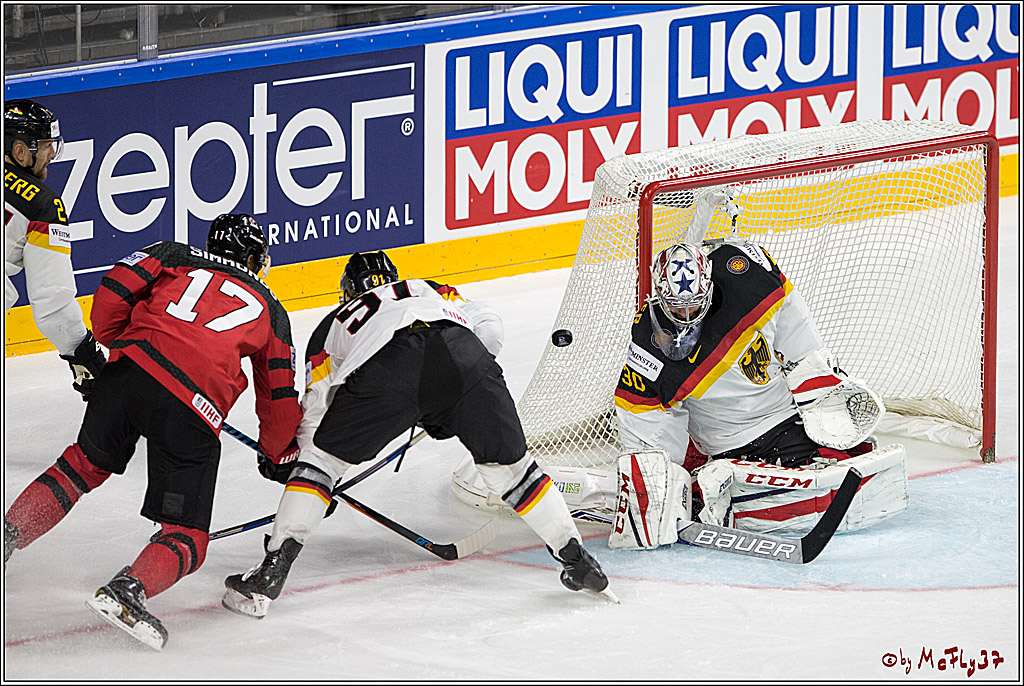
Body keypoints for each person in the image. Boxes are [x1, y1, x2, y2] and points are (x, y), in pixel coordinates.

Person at [221, 250, 614, 619]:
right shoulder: (427, 287)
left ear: (348, 291)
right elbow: (490, 327)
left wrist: (309, 477)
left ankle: (270, 572)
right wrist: (449, 401)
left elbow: (319, 404)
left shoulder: (332, 324)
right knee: (514, 472)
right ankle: (577, 560)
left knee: (320, 463)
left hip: (389, 367)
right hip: (467, 358)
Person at [3, 214, 303, 650]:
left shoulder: (174, 253)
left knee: (79, 466)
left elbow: (111, 292)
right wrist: (279, 456)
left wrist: (120, 343)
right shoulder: (271, 309)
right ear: (256, 258)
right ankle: (127, 592)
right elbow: (279, 398)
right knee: (187, 536)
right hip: (190, 408)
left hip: (127, 373)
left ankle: (7, 535)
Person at [611, 233, 900, 543]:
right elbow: (643, 418)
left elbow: (796, 329)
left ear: (708, 284)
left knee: (848, 458)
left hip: (783, 421)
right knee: (713, 485)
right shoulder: (648, 342)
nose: (686, 316)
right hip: (727, 446)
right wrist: (654, 480)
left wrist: (820, 381)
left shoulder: (747, 275)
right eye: (676, 307)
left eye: (694, 305)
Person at [4, 98, 106, 401]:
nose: (52, 154)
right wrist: (83, 354)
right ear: (20, 151)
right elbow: (52, 299)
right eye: (46, 146)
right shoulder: (42, 205)